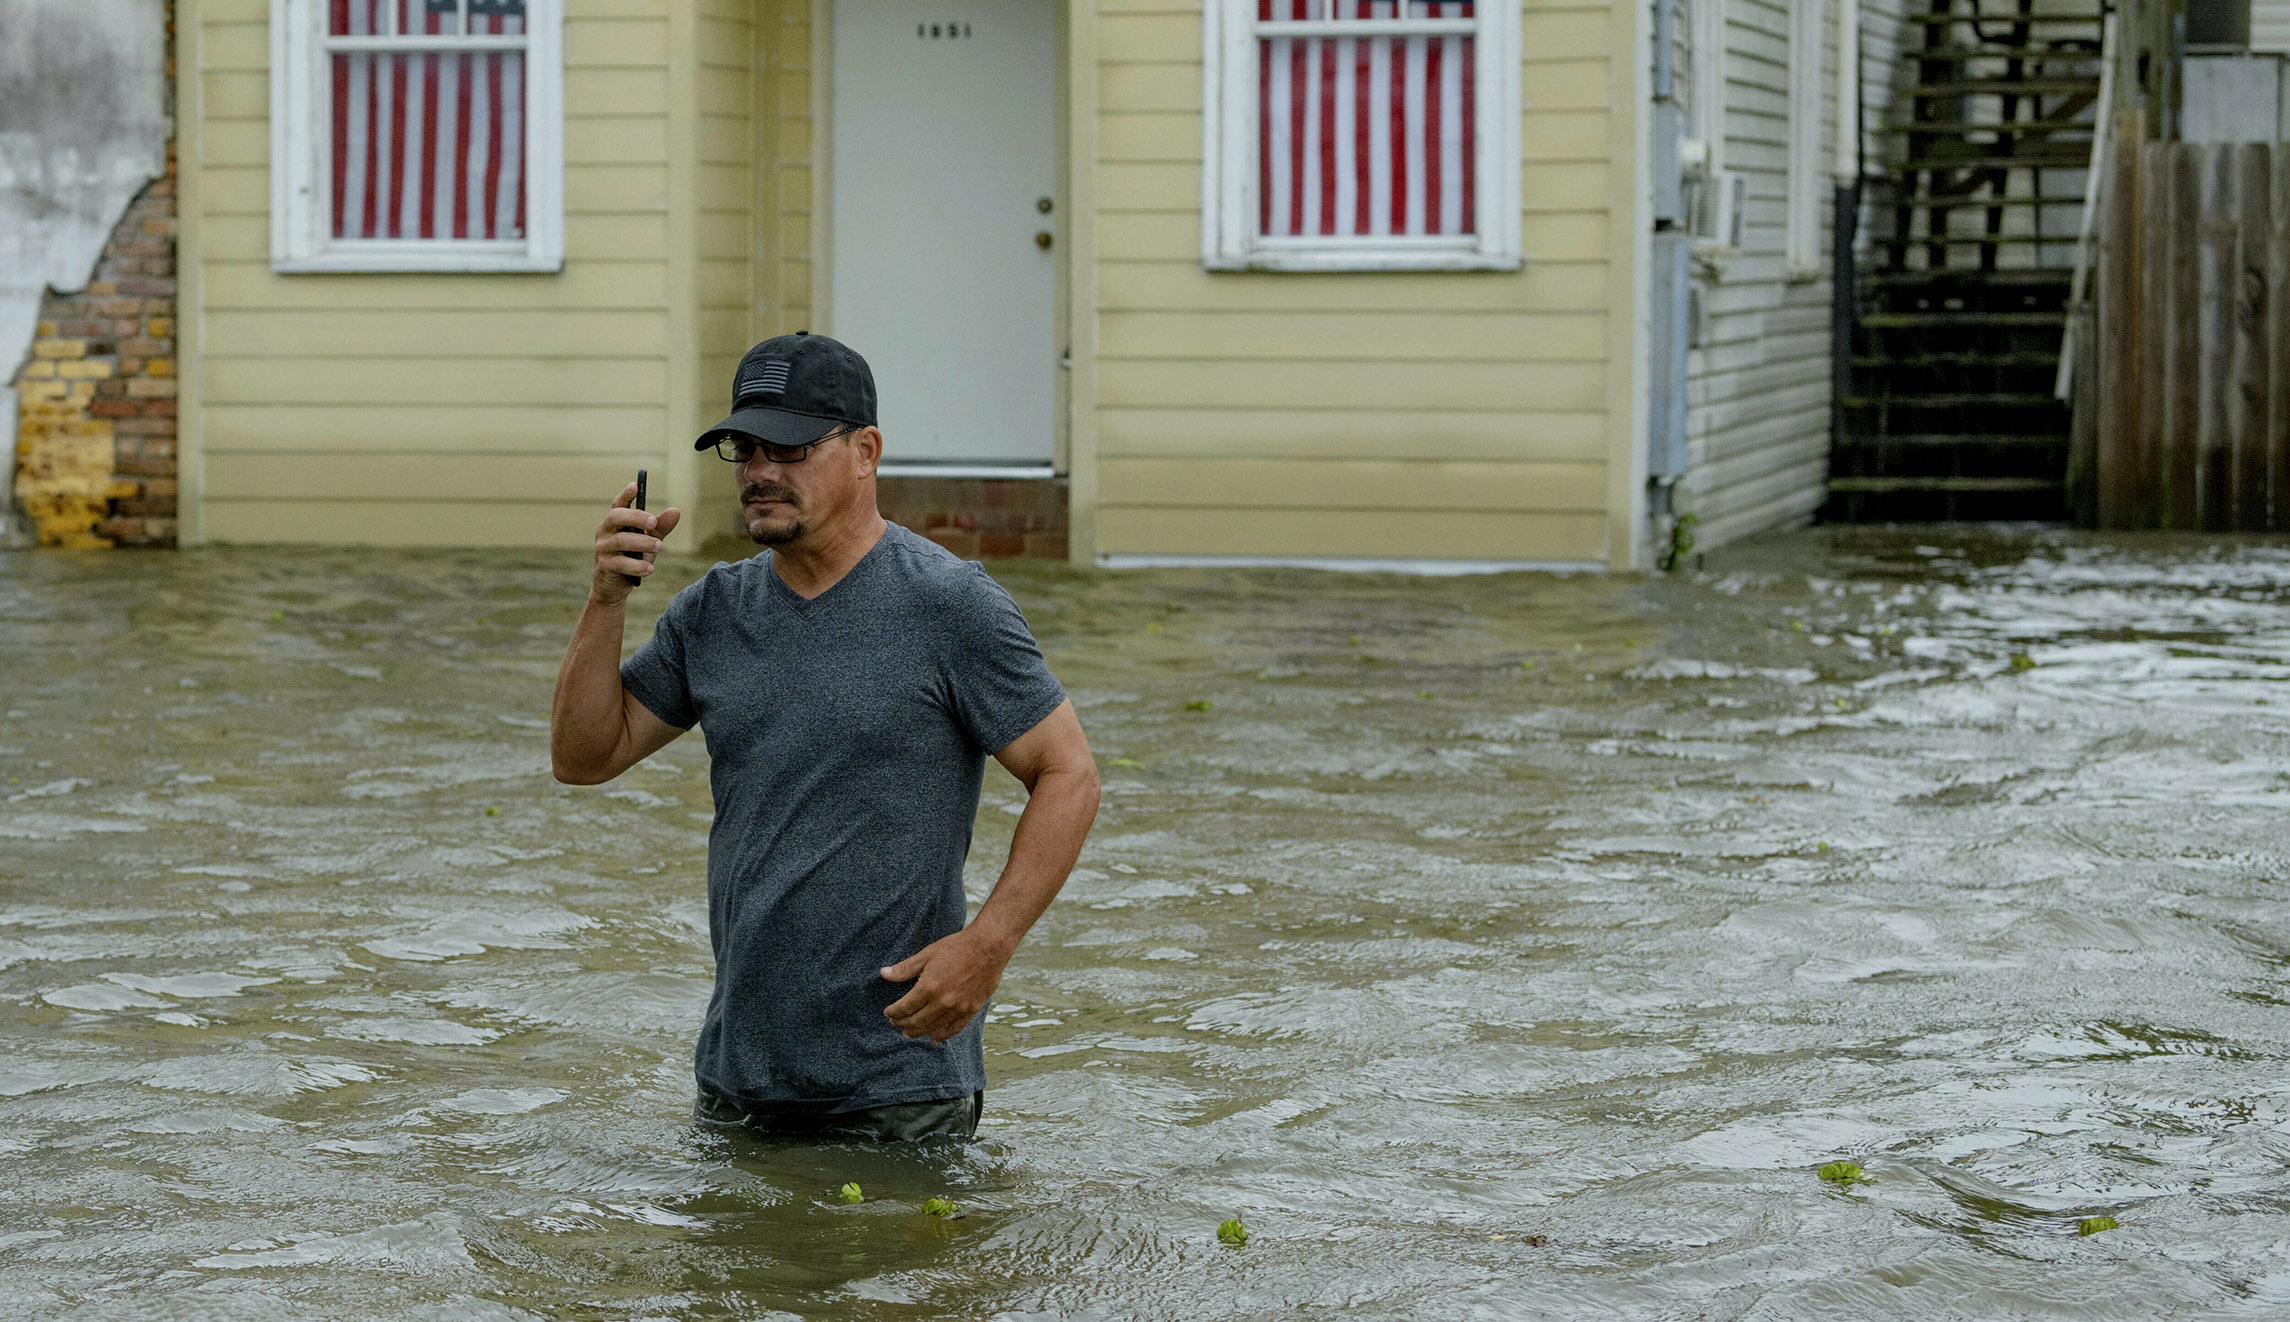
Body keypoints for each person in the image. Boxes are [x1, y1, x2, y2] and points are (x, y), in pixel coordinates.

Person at [548, 331, 1100, 1143]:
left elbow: (1070, 774)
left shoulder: (951, 606)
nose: (759, 470)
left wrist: (989, 944)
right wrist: (605, 599)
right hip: (739, 1076)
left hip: (897, 1088)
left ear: (866, 450)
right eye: (744, 447)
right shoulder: (714, 612)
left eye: (791, 445)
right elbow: (583, 758)